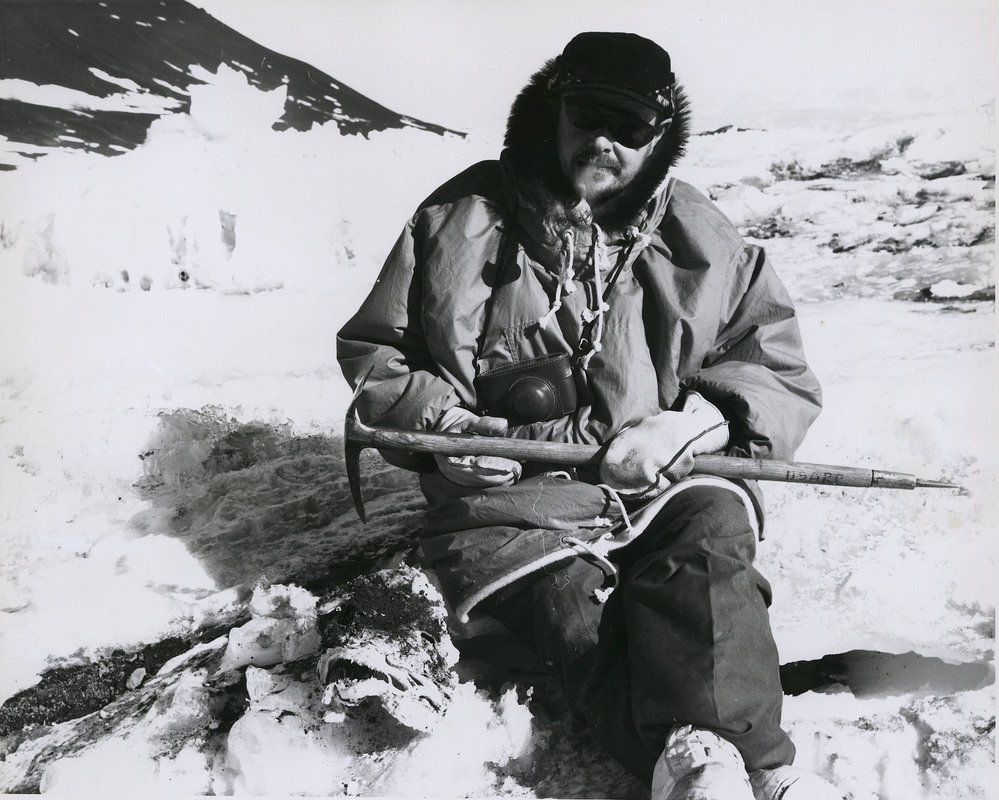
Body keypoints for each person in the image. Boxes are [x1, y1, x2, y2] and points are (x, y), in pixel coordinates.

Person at [338, 31, 841, 800]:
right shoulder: (456, 217)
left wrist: (693, 424)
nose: (604, 141)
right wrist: (445, 432)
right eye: (587, 115)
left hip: (664, 482)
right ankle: (726, 769)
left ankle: (719, 768)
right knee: (576, 615)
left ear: (659, 133)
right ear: (552, 110)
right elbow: (380, 353)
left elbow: (773, 366)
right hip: (508, 505)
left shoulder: (702, 236)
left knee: (708, 555)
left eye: (629, 126)